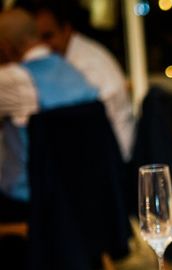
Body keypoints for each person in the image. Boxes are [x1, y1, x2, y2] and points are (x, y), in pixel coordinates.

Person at [0, 7, 98, 209]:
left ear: (6, 47)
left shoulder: (13, 79)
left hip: (26, 200)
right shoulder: (75, 73)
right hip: (80, 199)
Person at [17, 0, 134, 161]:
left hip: (107, 165)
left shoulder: (87, 67)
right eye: (36, 39)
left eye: (48, 36)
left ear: (67, 30)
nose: (41, 47)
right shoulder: (58, 64)